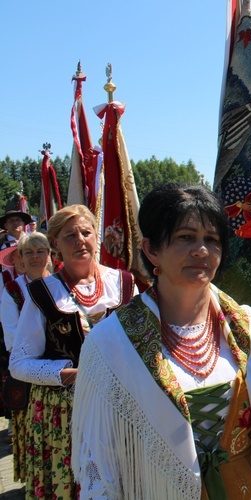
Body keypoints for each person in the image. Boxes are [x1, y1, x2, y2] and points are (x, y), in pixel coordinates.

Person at [70, 184, 251, 499]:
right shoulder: (110, 344)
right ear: (151, 250)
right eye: (186, 237)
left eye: (212, 240)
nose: (202, 251)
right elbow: (99, 469)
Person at [9, 205, 137, 499]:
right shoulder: (42, 293)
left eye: (86, 232)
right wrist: (67, 374)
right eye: (70, 235)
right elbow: (19, 363)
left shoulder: (124, 284)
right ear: (55, 244)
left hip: (118, 405)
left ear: (97, 237)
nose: (80, 240)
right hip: (64, 413)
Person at [0, 233, 52, 484]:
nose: (35, 257)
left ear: (49, 254)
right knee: (35, 430)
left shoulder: (60, 284)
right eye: (28, 252)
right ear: (19, 258)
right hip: (31, 372)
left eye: (40, 251)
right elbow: (12, 336)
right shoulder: (12, 290)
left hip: (64, 368)